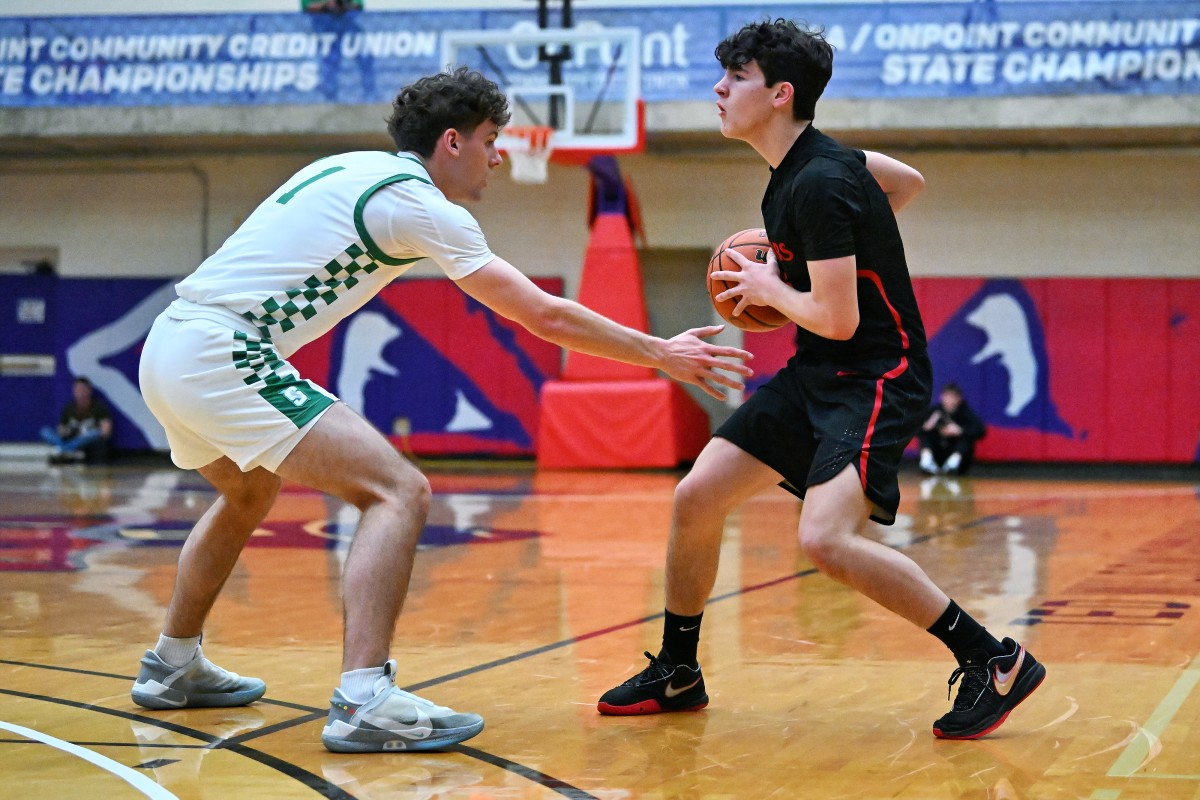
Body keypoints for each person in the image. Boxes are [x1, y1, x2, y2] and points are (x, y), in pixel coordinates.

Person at [132, 67, 753, 753]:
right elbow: (543, 314)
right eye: (491, 140)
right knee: (398, 491)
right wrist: (659, 353)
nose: (499, 156)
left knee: (249, 491)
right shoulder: (418, 203)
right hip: (223, 352)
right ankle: (364, 699)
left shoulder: (354, 167)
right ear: (451, 141)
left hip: (171, 343)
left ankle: (172, 665)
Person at [597, 19, 1045, 740]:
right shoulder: (814, 169)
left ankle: (994, 659)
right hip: (818, 373)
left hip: (876, 374)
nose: (719, 88)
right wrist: (825, 256)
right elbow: (908, 181)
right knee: (696, 497)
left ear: (779, 94)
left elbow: (837, 319)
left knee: (826, 541)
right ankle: (679, 670)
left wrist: (779, 288)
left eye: (736, 77)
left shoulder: (821, 182)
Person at [40, 376, 114, 464]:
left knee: (94, 433)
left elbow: (105, 432)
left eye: (82, 389)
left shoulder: (99, 407)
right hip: (71, 438)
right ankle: (69, 451)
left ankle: (63, 451)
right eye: (77, 389)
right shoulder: (69, 408)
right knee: (45, 431)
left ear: (89, 390)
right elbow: (61, 429)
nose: (79, 392)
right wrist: (66, 431)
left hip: (86, 439)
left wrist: (86, 434)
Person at [918, 383, 986, 475]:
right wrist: (928, 425)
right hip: (937, 454)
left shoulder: (965, 413)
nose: (949, 401)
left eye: (953, 397)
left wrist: (959, 430)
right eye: (947, 396)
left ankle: (952, 464)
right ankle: (927, 462)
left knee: (965, 439)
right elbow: (914, 430)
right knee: (925, 434)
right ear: (942, 397)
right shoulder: (935, 411)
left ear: (959, 399)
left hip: (957, 458)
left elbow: (980, 431)